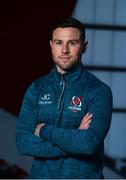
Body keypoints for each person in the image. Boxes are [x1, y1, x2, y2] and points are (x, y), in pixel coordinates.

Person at [16, 17, 113, 179]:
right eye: (59, 43)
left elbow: (88, 144)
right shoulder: (36, 88)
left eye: (72, 43)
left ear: (84, 47)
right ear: (51, 45)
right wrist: (74, 139)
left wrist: (43, 130)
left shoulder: (99, 91)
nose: (65, 50)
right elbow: (23, 142)